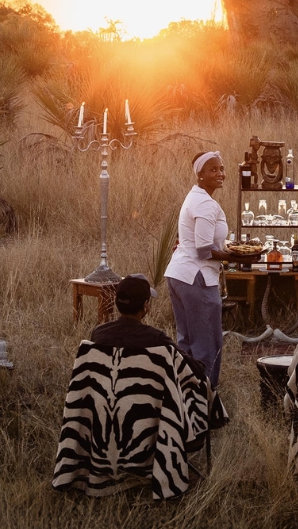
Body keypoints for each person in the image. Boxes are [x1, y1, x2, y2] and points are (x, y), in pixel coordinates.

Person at [164, 150, 254, 386]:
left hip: (179, 274)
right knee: (207, 344)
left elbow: (196, 241)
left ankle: (183, 392)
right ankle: (204, 397)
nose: (220, 173)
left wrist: (228, 249)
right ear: (200, 175)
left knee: (187, 341)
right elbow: (204, 250)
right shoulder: (204, 203)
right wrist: (236, 257)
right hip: (197, 277)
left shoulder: (196, 197)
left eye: (221, 169)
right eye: (213, 169)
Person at [89, 274, 173, 350]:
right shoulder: (158, 338)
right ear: (145, 305)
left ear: (116, 302)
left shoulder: (98, 333)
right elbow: (180, 358)